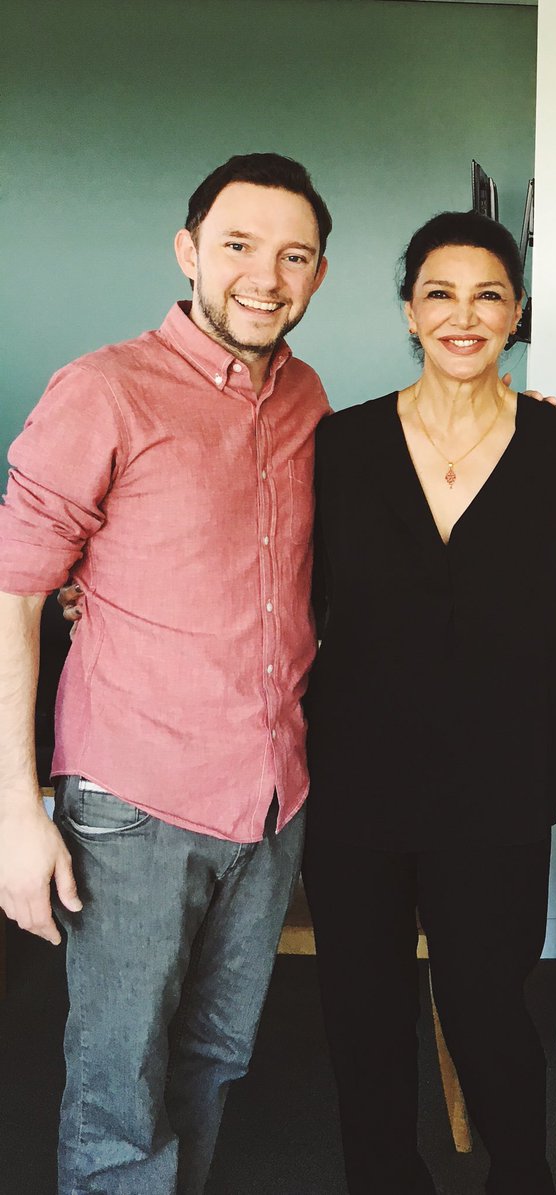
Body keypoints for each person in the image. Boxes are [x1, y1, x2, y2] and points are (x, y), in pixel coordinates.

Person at [0, 153, 331, 1194]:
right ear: (188, 251)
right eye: (238, 246)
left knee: (214, 1059)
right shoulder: (103, 389)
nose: (265, 276)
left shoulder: (308, 397)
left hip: (272, 800)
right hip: (133, 807)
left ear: (320, 274)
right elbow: (14, 589)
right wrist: (15, 810)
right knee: (118, 1092)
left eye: (294, 255)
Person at [300, 210, 556, 1195]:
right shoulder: (340, 446)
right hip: (355, 779)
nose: (463, 315)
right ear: (408, 310)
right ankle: (384, 1179)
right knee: (364, 1009)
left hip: (497, 787)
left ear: (516, 311)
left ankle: (523, 1174)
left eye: (488, 295)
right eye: (440, 293)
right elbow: (280, 591)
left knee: (486, 1003)